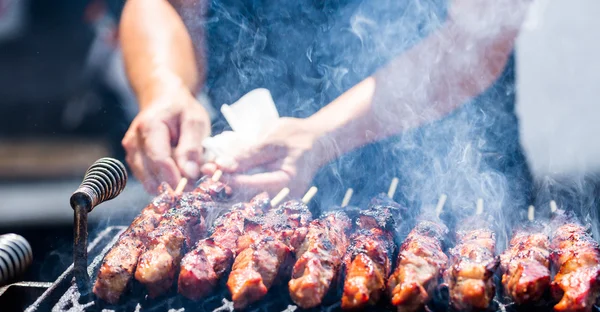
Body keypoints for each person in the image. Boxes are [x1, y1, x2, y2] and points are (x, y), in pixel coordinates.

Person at [120, 0, 533, 232]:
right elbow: (164, 5)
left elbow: (483, 30)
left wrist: (323, 136)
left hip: (454, 189)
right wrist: (164, 85)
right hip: (255, 192)